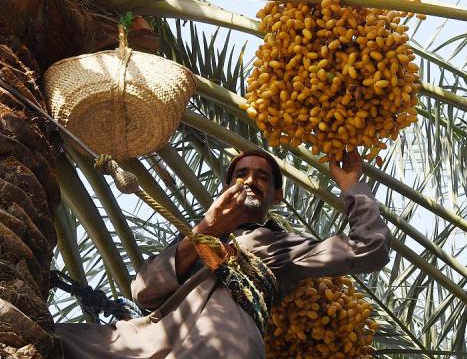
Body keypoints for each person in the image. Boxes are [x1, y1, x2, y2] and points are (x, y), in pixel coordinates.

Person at [56, 149, 391, 358]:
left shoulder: (276, 245)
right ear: (226, 188)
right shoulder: (192, 239)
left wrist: (350, 186)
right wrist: (208, 227)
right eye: (241, 174)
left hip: (222, 345)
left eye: (261, 177)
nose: (249, 181)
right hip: (147, 341)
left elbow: (370, 249)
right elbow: (144, 291)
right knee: (51, 338)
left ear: (275, 197)